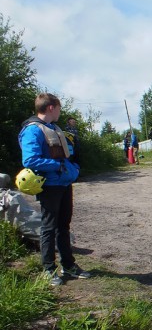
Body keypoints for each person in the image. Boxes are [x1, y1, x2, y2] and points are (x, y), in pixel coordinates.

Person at [18, 93, 90, 286]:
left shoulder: (53, 128)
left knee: (63, 227)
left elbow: (65, 154)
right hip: (50, 186)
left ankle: (68, 265)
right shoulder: (33, 130)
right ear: (51, 107)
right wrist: (57, 167)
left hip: (64, 183)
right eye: (58, 108)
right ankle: (49, 269)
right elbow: (30, 159)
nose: (60, 111)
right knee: (49, 228)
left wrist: (72, 169)